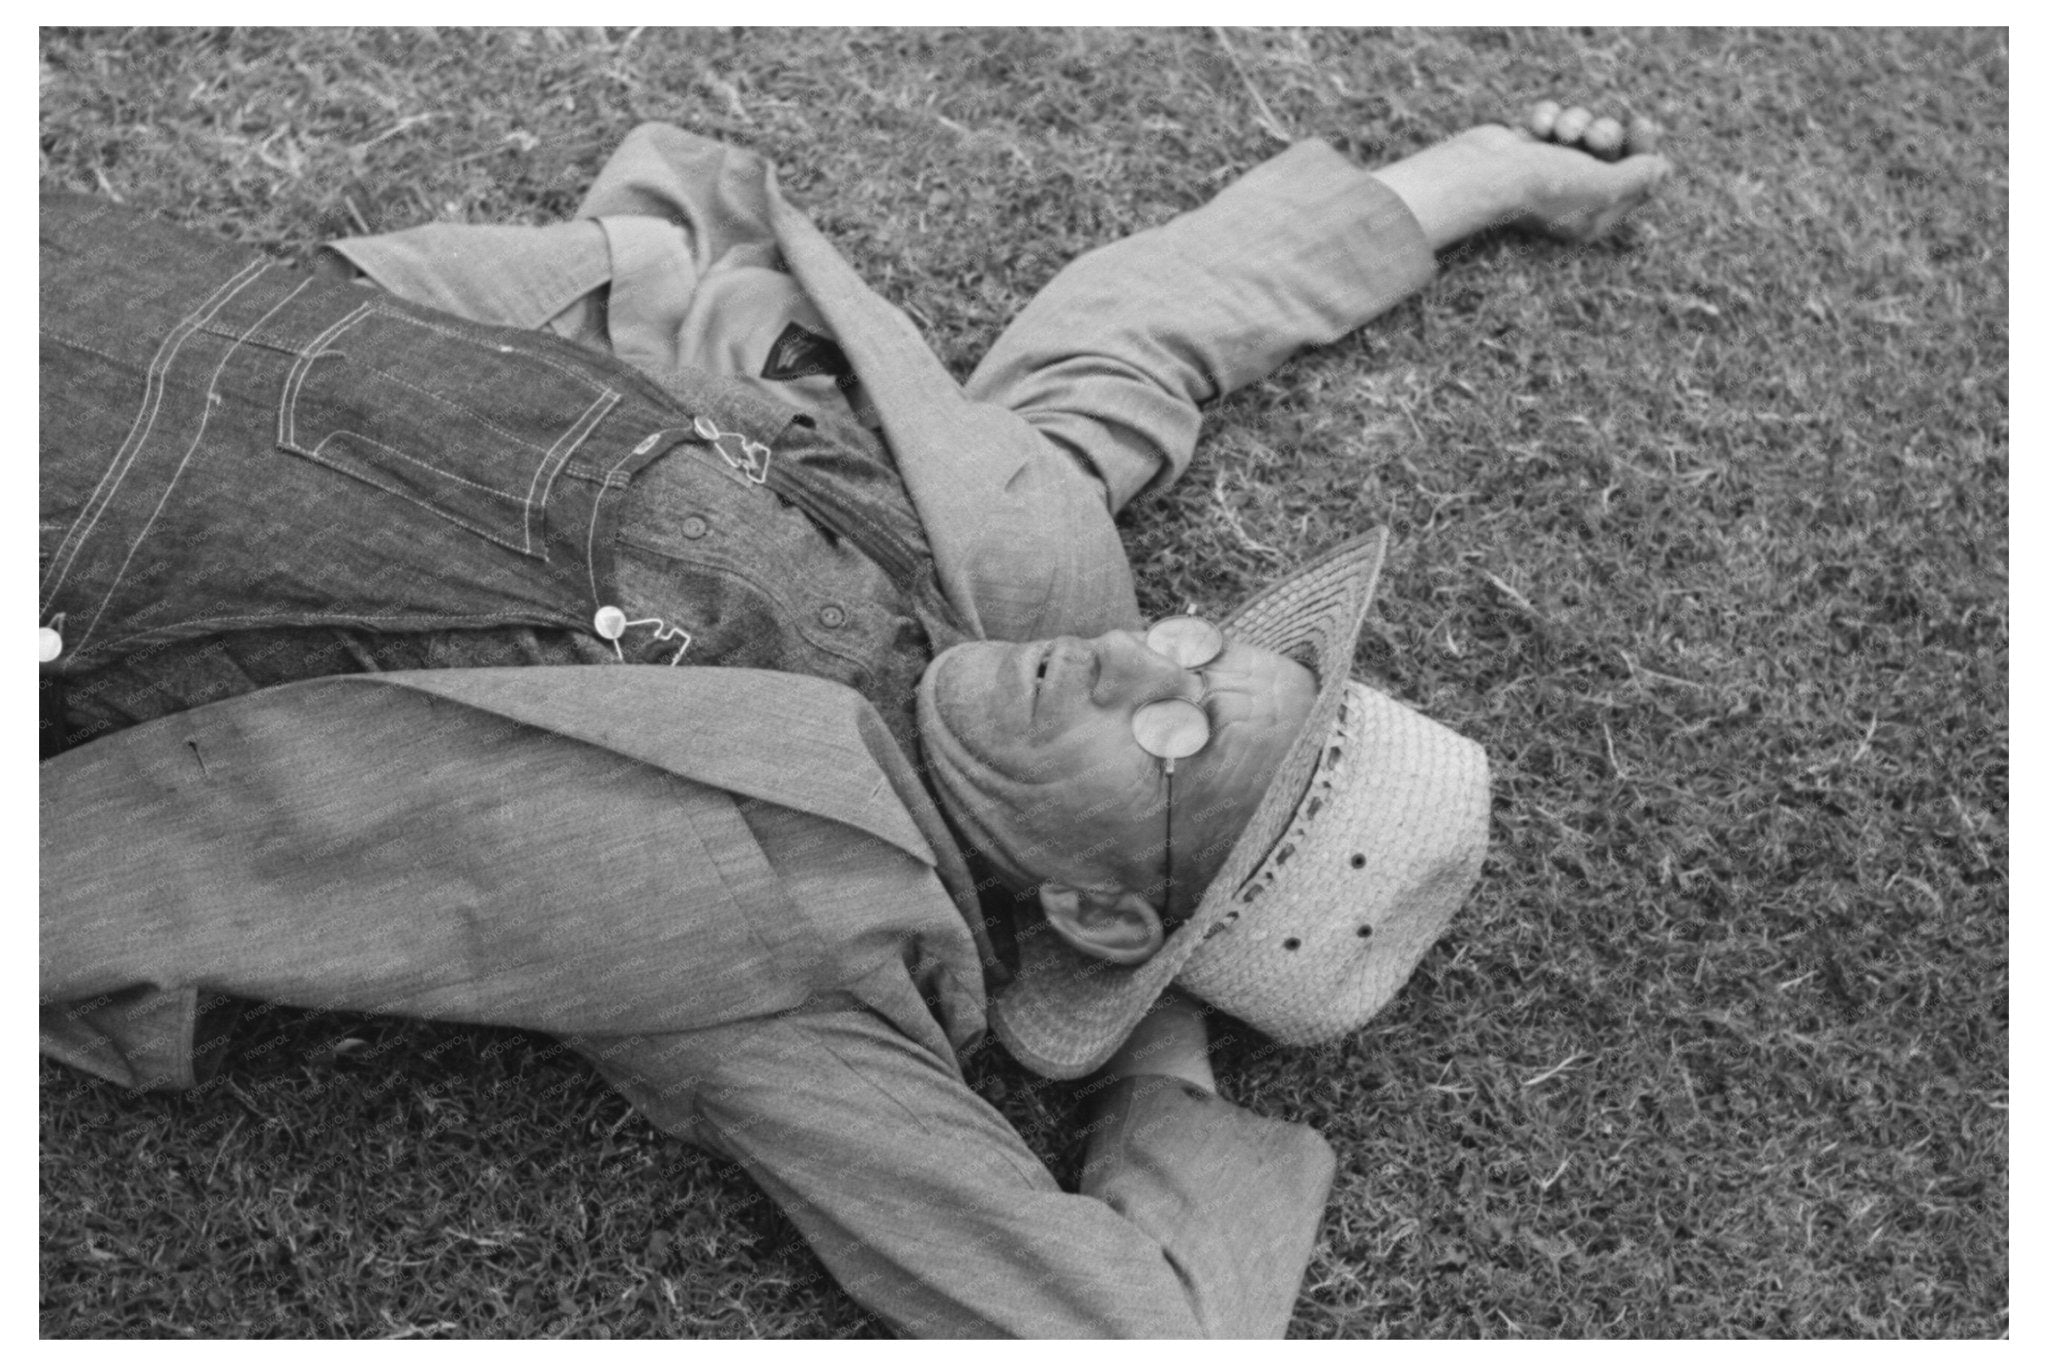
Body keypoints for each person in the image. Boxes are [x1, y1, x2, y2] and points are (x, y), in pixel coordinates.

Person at [39, 101, 1669, 1337]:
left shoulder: (804, 973)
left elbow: (1132, 1327)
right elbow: (1145, 336)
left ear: (1099, 899)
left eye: (1176, 740)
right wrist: (1475, 183)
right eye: (1200, 648)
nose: (1134, 663)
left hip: (88, 569)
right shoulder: (1016, 570)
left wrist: (1149, 1029)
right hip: (168, 308)